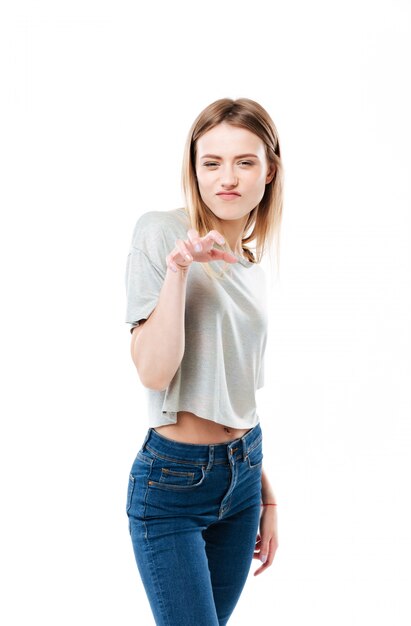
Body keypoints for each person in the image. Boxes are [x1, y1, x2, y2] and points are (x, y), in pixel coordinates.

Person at [124, 97, 283, 626]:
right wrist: (178, 273)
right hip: (172, 485)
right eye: (211, 162)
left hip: (243, 477)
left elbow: (236, 390)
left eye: (245, 161)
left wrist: (264, 491)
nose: (227, 178)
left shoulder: (252, 268)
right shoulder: (162, 233)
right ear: (193, 169)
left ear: (269, 169)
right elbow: (153, 372)